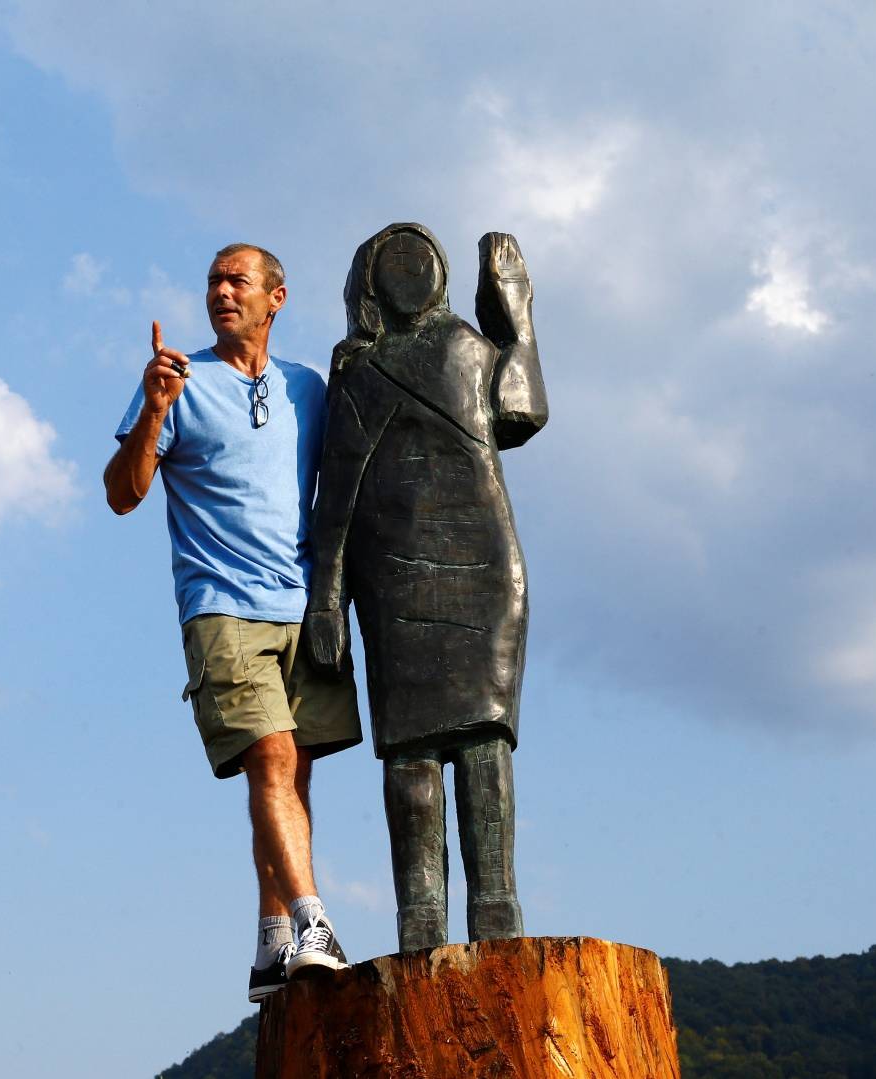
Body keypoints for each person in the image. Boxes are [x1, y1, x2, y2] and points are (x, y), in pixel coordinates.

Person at [105, 243, 362, 1002]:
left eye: (236, 280)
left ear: (275, 297)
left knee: (291, 773)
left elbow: (337, 490)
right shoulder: (178, 384)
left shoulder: (307, 389)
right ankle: (315, 922)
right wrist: (153, 410)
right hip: (222, 607)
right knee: (273, 759)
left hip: (303, 607)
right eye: (213, 280)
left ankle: (270, 945)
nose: (221, 291)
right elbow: (123, 493)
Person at [304, 224, 547, 953]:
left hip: (484, 566)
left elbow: (522, 412)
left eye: (419, 260)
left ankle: (498, 909)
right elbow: (335, 493)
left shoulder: (472, 349)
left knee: (483, 745)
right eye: (393, 263)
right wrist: (326, 594)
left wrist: (516, 316)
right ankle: (421, 918)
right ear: (370, 282)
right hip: (393, 578)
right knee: (409, 754)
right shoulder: (359, 371)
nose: (409, 272)